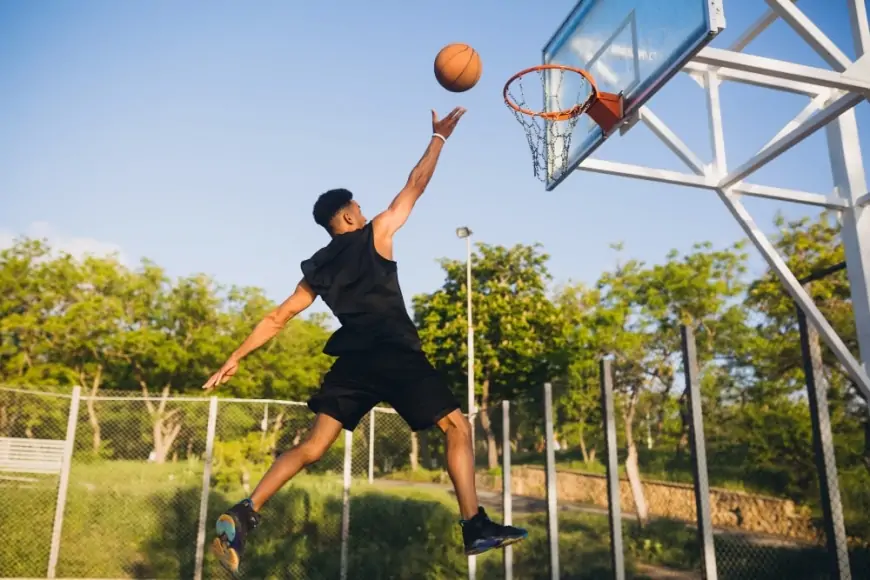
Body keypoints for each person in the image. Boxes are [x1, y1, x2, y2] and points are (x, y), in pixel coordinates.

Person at [202, 106, 528, 575]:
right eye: (357, 205)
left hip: (353, 363)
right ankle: (474, 525)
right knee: (458, 428)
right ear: (350, 214)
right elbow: (415, 185)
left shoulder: (318, 267)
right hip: (395, 354)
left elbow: (278, 318)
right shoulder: (377, 231)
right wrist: (439, 138)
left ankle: (247, 510)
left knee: (313, 448)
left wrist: (235, 357)